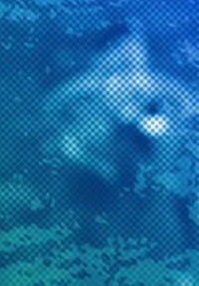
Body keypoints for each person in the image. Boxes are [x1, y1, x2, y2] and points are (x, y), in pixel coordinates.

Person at [42, 24, 195, 270]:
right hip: (95, 248)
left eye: (135, 65)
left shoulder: (167, 101)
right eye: (119, 66)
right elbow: (72, 170)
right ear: (98, 64)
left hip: (162, 249)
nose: (129, 80)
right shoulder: (77, 104)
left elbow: (180, 178)